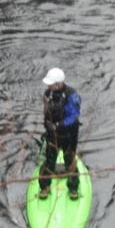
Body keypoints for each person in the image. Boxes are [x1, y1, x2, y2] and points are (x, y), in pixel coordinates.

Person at [40, 67, 82, 200]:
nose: (48, 85)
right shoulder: (48, 94)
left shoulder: (71, 95)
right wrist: (47, 124)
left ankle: (73, 188)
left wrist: (59, 125)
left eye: (50, 83)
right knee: (49, 160)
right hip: (52, 134)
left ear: (58, 84)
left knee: (69, 160)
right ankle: (45, 187)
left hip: (68, 135)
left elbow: (74, 116)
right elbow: (47, 111)